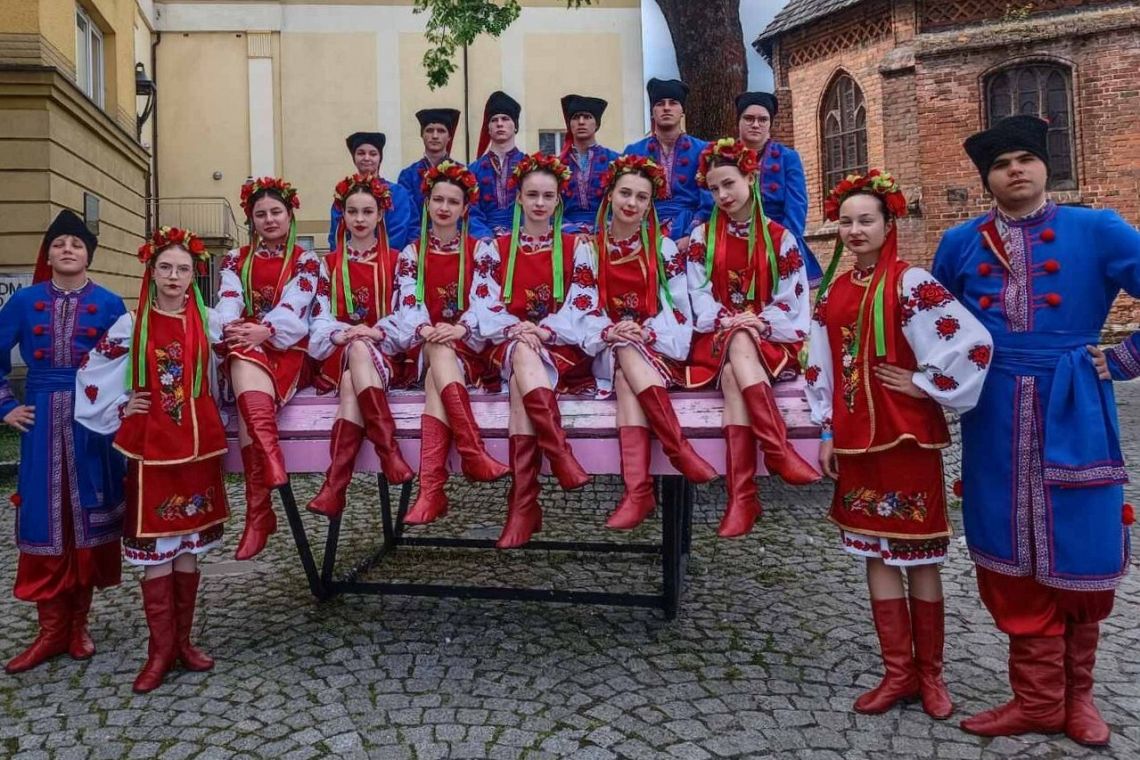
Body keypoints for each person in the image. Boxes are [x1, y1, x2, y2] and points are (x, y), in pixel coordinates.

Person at [932, 114, 1140, 746]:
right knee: (1005, 540)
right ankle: (1038, 700)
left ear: (1046, 166)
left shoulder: (1097, 229)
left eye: (1025, 159)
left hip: (1074, 403)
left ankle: (1079, 699)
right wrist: (930, 387)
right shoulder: (961, 243)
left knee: (1082, 540)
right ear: (987, 179)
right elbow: (932, 326)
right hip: (993, 410)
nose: (1015, 170)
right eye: (1001, 165)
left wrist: (1126, 359)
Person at [805, 171, 992, 720]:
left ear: (889, 225)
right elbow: (819, 364)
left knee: (920, 554)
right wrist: (825, 429)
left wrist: (925, 381)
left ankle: (931, 675)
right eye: (846, 222)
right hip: (854, 440)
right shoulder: (834, 291)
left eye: (867, 220)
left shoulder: (912, 283)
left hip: (906, 437)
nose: (855, 230)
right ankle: (898, 673)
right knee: (875, 554)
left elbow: (973, 341)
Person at [76, 226, 228, 693]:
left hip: (198, 448)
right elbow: (91, 370)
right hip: (153, 449)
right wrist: (124, 405)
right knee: (157, 549)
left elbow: (232, 362)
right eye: (166, 267)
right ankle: (159, 651)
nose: (174, 276)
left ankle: (183, 643)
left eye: (183, 269)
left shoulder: (210, 322)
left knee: (188, 549)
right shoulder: (132, 323)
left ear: (194, 275)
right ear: (152, 272)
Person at [1, 210, 126, 674]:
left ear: (88, 254)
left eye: (76, 244)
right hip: (41, 423)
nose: (68, 250)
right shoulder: (25, 302)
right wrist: (5, 406)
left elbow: (128, 364)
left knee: (86, 520)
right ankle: (50, 631)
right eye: (59, 244)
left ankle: (77, 626)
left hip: (93, 425)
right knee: (44, 519)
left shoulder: (110, 303)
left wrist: (124, 410)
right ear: (49, 255)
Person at [466, 152, 604, 548]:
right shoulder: (496, 248)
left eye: (548, 195)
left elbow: (582, 300)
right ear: (519, 198)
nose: (540, 203)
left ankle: (523, 503)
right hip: (510, 342)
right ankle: (557, 455)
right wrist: (516, 328)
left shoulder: (576, 247)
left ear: (559, 200)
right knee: (522, 356)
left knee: (520, 385)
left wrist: (542, 330)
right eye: (532, 195)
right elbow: (483, 302)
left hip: (558, 346)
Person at [684, 138, 820, 538]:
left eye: (729, 183)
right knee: (737, 344)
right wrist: (730, 320)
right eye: (714, 189)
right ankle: (776, 451)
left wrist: (757, 321)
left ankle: (742, 497)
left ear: (751, 178)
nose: (722, 195)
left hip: (770, 339)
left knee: (734, 372)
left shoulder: (780, 238)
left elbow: (792, 301)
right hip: (717, 337)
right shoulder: (702, 238)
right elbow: (697, 296)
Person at [584, 155, 715, 529]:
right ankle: (678, 450)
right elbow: (581, 304)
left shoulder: (663, 248)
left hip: (657, 349)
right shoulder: (588, 250)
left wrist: (647, 332)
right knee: (623, 353)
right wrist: (608, 330)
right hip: (604, 348)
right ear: (610, 196)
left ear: (649, 205)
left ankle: (638, 491)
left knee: (627, 370)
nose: (632, 203)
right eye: (625, 193)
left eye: (642, 197)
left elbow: (679, 309)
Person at [384, 160, 511, 524]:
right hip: (427, 343)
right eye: (438, 200)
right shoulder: (412, 254)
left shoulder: (481, 250)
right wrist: (425, 329)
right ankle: (471, 452)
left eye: (453, 202)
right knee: (438, 351)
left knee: (435, 384)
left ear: (465, 208)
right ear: (427, 204)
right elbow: (408, 301)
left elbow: (486, 299)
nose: (444, 208)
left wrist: (461, 329)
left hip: (468, 346)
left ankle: (432, 491)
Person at [217, 177, 319, 560]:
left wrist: (267, 330)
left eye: (276, 211)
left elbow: (298, 304)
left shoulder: (306, 261)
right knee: (243, 359)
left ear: (290, 215)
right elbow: (229, 297)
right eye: (261, 214)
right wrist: (235, 326)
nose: (270, 219)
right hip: (248, 345)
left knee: (244, 365)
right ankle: (268, 473)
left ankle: (258, 512)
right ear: (252, 220)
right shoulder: (236, 259)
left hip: (288, 347)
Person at [306, 174, 415, 517]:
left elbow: (408, 313)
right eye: (352, 211)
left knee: (352, 379)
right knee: (355, 352)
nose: (359, 219)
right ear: (343, 214)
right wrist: (342, 334)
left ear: (380, 214)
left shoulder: (398, 260)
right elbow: (319, 317)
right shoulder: (328, 264)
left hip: (385, 352)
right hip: (342, 350)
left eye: (367, 211)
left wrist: (377, 332)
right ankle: (388, 451)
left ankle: (335, 486)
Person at [735, 91, 822, 284]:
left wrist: (783, 241)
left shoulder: (788, 157)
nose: (756, 124)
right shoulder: (724, 155)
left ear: (770, 124)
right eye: (748, 118)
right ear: (738, 121)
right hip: (734, 237)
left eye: (762, 119)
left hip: (778, 236)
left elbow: (797, 205)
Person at [623, 78, 712, 247]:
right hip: (645, 230)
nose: (666, 108)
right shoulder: (634, 152)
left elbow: (709, 200)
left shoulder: (704, 150)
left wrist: (692, 235)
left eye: (673, 103)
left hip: (692, 227)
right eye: (660, 104)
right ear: (652, 112)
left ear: (682, 111)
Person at [328, 132, 415, 251]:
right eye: (361, 153)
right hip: (349, 259)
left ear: (380, 158)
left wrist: (376, 257)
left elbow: (400, 231)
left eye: (373, 154)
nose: (367, 158)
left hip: (388, 258)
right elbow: (335, 234)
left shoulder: (397, 193)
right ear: (354, 158)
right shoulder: (344, 192)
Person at [558, 94, 619, 232]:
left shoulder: (615, 160)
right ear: (569, 125)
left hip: (608, 231)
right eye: (575, 117)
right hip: (566, 232)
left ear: (597, 124)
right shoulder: (557, 165)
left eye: (587, 117)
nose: (581, 122)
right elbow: (550, 205)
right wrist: (572, 231)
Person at [468, 91, 525, 239]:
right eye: (494, 120)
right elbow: (470, 211)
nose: (499, 124)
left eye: (505, 119)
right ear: (488, 128)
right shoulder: (472, 170)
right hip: (484, 240)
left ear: (515, 126)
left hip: (523, 237)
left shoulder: (530, 166)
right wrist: (486, 237)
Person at [398, 108, 462, 224]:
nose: (435, 136)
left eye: (441, 131)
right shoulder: (408, 176)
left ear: (449, 137)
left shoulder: (462, 173)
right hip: (419, 234)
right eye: (429, 130)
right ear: (422, 135)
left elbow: (471, 213)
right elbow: (408, 216)